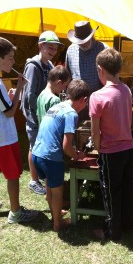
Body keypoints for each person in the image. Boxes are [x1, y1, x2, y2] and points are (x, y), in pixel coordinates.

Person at [0, 35, 38, 223]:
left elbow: (1, 106)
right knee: (12, 175)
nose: (13, 61)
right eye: (10, 58)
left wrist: (11, 95)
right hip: (3, 136)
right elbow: (10, 113)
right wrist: (19, 89)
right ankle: (16, 212)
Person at [89, 48, 133, 241]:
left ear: (100, 69)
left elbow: (94, 130)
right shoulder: (126, 90)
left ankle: (112, 231)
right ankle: (128, 224)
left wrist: (98, 148)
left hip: (111, 152)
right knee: (126, 187)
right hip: (129, 148)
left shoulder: (97, 96)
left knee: (111, 191)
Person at [32, 79, 90, 231]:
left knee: (50, 187)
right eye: (86, 103)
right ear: (83, 100)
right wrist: (76, 155)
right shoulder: (71, 114)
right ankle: (58, 224)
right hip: (51, 158)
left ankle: (55, 212)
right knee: (58, 192)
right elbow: (66, 146)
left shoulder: (57, 106)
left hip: (37, 154)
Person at [20, 31, 64, 195]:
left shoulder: (50, 66)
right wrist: (38, 116)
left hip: (45, 114)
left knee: (42, 145)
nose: (52, 50)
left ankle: (42, 176)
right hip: (35, 115)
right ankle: (33, 180)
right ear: (41, 46)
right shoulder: (33, 66)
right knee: (35, 146)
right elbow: (30, 95)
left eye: (55, 48)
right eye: (49, 47)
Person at [65, 21, 108, 122]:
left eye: (86, 40)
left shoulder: (103, 50)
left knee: (97, 133)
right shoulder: (71, 50)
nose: (83, 43)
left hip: (98, 101)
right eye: (80, 41)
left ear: (92, 36)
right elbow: (68, 76)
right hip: (76, 102)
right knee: (76, 132)